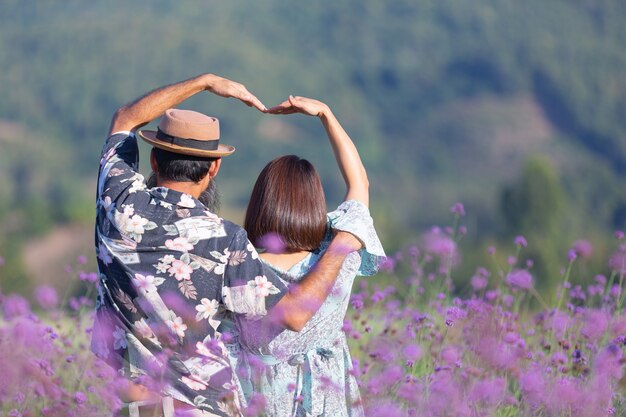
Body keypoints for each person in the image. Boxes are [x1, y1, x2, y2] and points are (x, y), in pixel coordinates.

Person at [91, 74, 363, 417]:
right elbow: (294, 313)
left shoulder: (117, 203)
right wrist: (343, 244)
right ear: (214, 168)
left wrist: (203, 82)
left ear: (155, 161)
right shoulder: (225, 240)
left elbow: (125, 118)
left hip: (134, 407)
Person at [226, 95, 385, 416]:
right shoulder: (341, 252)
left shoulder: (238, 265)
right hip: (330, 399)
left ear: (260, 204)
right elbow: (360, 184)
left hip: (259, 399)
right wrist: (327, 114)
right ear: (315, 204)